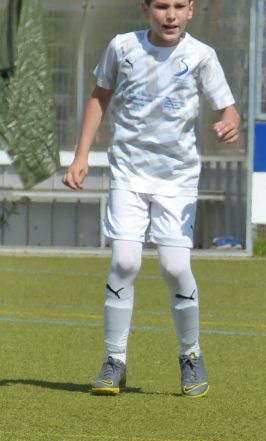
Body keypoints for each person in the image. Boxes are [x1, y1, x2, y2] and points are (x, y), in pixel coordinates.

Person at [62, 0, 240, 398]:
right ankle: (114, 361)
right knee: (124, 262)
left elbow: (228, 110)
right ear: (145, 10)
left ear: (191, 10)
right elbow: (99, 97)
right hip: (128, 174)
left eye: (179, 6)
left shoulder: (202, 56)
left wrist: (230, 123)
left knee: (175, 267)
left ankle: (190, 355)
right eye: (161, 6)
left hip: (177, 179)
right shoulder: (122, 47)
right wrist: (81, 156)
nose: (170, 14)